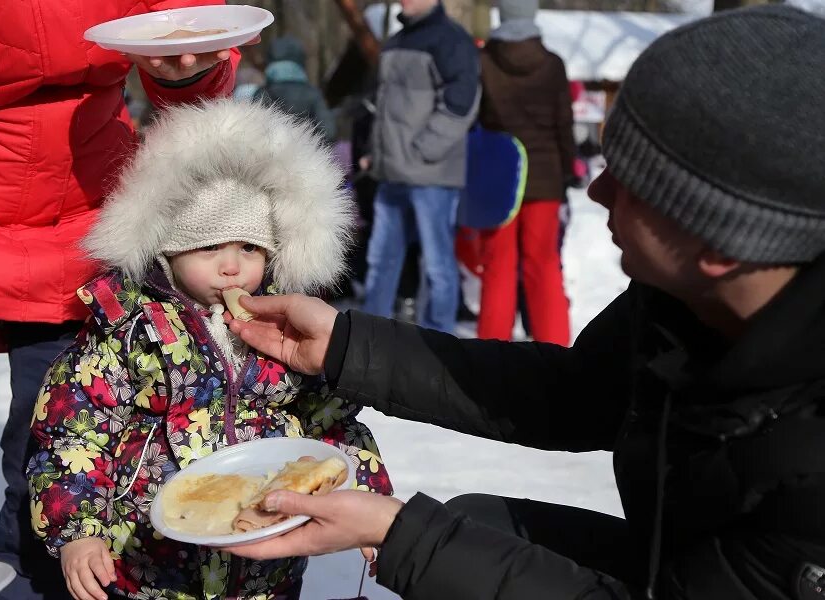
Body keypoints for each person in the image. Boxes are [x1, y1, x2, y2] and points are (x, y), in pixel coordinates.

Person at [221, 6, 825, 599]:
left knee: (438, 555)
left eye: (635, 181)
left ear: (719, 241)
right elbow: (576, 394)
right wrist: (346, 346)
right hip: (678, 562)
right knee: (474, 527)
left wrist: (399, 537)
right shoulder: (682, 301)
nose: (597, 187)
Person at [0, 1, 248, 597]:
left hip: (88, 223)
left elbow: (188, 87)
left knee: (59, 442)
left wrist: (190, 74)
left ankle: (35, 575)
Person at [27, 99, 392, 600]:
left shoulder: (288, 328)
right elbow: (73, 434)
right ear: (167, 251)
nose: (231, 267)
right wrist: (79, 530)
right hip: (149, 561)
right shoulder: (129, 329)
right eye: (208, 248)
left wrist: (368, 495)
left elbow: (332, 421)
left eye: (249, 248)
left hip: (267, 560)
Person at [360, 0, 480, 334]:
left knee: (438, 265)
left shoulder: (451, 40)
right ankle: (370, 336)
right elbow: (384, 109)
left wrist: (423, 149)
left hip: (432, 176)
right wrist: (375, 152)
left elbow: (462, 102)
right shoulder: (396, 41)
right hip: (391, 174)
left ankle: (438, 340)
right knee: (380, 262)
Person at [476, 0, 575, 344]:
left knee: (498, 269)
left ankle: (489, 353)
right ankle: (556, 348)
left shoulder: (484, 61)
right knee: (544, 267)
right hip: (545, 178)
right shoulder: (552, 65)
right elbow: (564, 124)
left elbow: (475, 122)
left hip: (499, 180)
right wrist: (567, 170)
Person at [253, 35, 336, 141]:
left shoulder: (262, 93)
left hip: (270, 155)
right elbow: (328, 131)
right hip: (306, 154)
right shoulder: (312, 94)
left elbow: (253, 130)